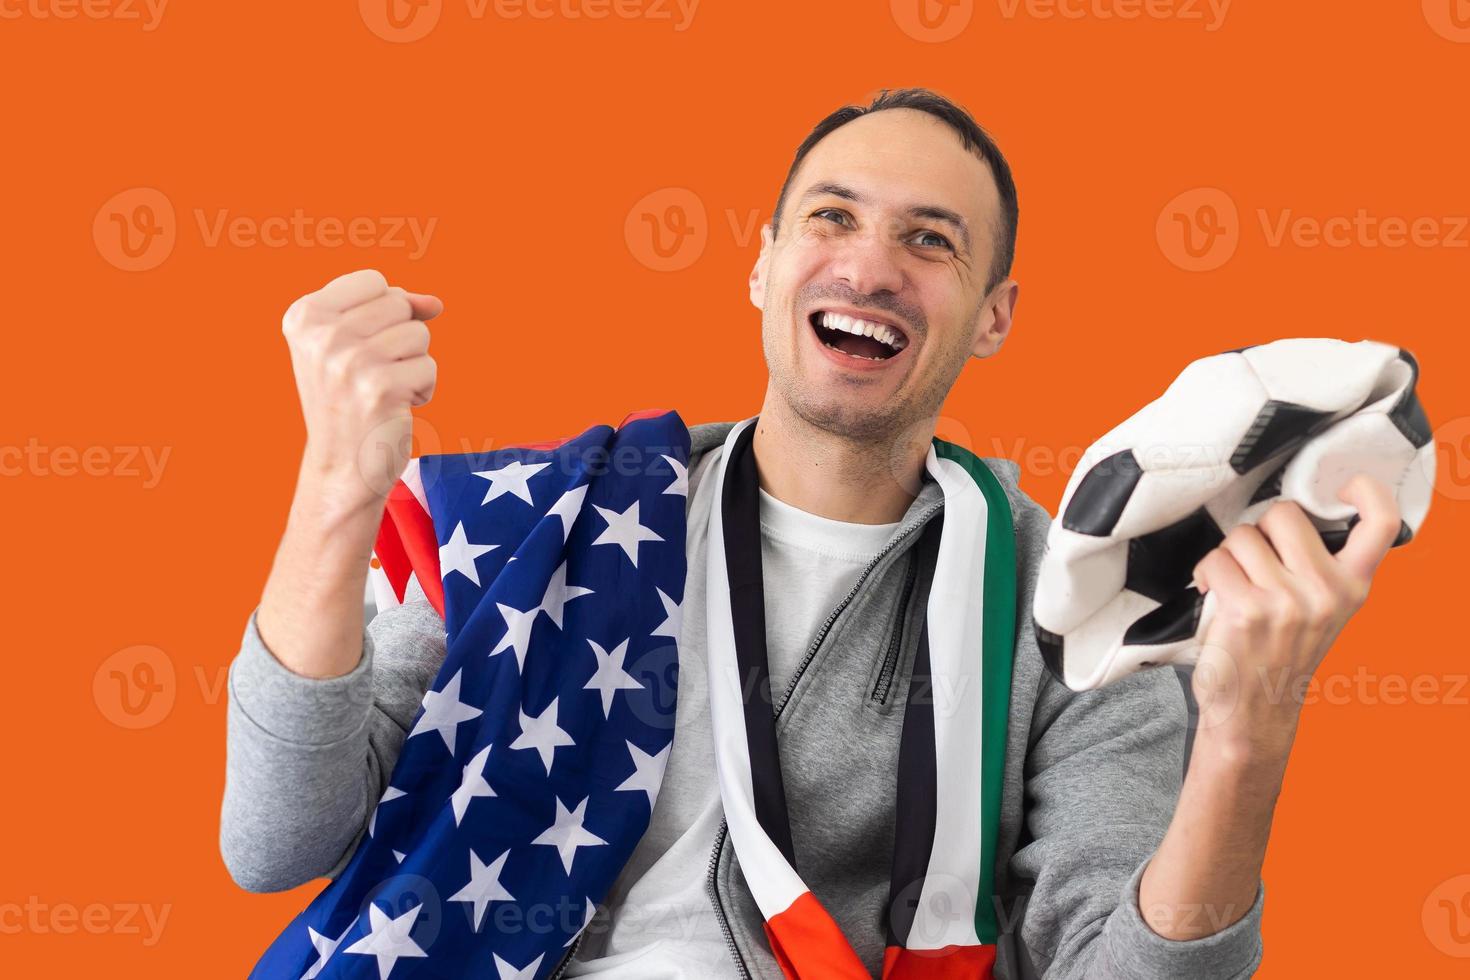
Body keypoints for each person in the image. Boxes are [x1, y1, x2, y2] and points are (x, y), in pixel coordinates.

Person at [220, 87, 1401, 978]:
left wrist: (1246, 735)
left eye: (932, 241)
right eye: (832, 216)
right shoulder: (543, 518)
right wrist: (336, 486)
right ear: (764, 265)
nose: (871, 265)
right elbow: (278, 837)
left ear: (994, 317)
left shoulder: (1078, 603)